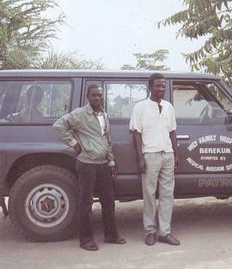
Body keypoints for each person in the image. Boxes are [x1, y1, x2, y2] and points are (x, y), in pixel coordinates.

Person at [53, 84, 125, 251]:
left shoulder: (104, 115)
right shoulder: (80, 114)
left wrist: (112, 162)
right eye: (94, 95)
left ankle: (111, 235)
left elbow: (107, 139)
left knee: (109, 202)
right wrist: (73, 144)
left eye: (100, 95)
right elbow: (58, 125)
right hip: (87, 165)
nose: (97, 98)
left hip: (103, 165)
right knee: (86, 204)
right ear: (88, 97)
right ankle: (85, 240)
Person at [129, 73, 181, 246]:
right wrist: (140, 158)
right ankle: (150, 231)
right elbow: (137, 134)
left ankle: (165, 232)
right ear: (150, 87)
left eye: (163, 86)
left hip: (167, 154)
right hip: (150, 155)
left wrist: (176, 153)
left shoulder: (168, 107)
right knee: (149, 195)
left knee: (167, 194)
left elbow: (172, 132)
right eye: (158, 85)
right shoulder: (140, 107)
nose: (161, 89)